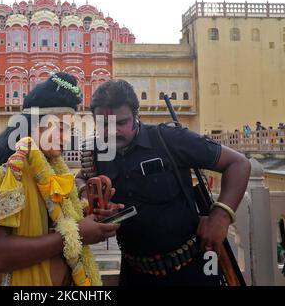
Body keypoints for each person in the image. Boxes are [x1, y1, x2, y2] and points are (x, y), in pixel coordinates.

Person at [75, 80, 251, 286]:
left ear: (136, 116)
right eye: (104, 124)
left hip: (191, 269)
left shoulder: (169, 139)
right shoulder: (95, 152)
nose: (112, 131)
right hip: (135, 273)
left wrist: (221, 216)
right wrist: (86, 195)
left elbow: (239, 164)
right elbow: (82, 177)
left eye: (121, 123)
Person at [0, 72, 119, 286]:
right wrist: (75, 234)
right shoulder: (1, 170)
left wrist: (91, 213)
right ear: (33, 125)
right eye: (60, 128)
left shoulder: (52, 167)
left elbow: (52, 219)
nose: (65, 139)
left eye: (69, 131)